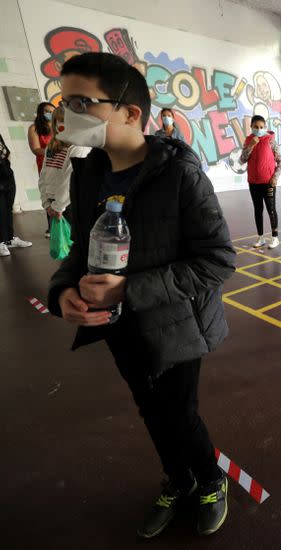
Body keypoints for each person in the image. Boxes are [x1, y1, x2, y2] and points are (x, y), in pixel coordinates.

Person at [47, 52, 236, 537]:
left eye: (82, 102)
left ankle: (211, 479)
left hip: (175, 324)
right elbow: (85, 245)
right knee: (148, 406)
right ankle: (178, 478)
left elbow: (217, 260)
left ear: (131, 113)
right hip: (117, 323)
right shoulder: (89, 172)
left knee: (179, 411)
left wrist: (130, 289)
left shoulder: (179, 174)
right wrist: (64, 288)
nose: (68, 115)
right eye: (63, 102)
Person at [38, 105, 91, 226]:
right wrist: (46, 202)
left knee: (71, 243)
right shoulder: (51, 146)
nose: (62, 124)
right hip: (53, 202)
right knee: (59, 243)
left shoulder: (79, 146)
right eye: (59, 120)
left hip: (69, 203)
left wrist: (58, 206)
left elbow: (70, 180)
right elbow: (43, 175)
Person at [241, 115, 281, 249]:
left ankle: (275, 237)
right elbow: (242, 159)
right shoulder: (248, 141)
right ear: (251, 127)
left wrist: (275, 177)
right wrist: (251, 145)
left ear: (265, 127)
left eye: (261, 127)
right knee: (258, 210)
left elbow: (280, 161)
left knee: (271, 209)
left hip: (268, 182)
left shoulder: (270, 140)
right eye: (256, 127)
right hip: (253, 182)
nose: (259, 129)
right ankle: (261, 237)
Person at [0, 132, 33, 257]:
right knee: (1, 209)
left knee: (8, 208)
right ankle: (1, 241)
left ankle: (9, 239)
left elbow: (5, 151)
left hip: (6, 172)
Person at [29, 101, 56, 236]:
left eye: (52, 111)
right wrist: (52, 151)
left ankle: (65, 225)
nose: (50, 114)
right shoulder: (34, 128)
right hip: (46, 165)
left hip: (61, 164)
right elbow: (35, 149)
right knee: (49, 194)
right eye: (47, 111)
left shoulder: (59, 125)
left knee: (63, 193)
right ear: (41, 112)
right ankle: (51, 227)